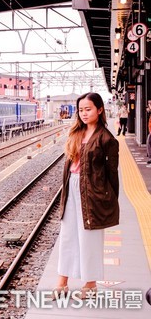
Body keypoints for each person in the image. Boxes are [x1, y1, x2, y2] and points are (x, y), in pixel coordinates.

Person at [54, 92, 119, 299]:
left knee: (89, 238)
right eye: (80, 110)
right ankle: (62, 283)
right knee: (68, 236)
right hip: (72, 187)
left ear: (100, 110)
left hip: (93, 192)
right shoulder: (75, 133)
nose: (83, 113)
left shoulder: (107, 139)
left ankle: (90, 284)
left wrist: (109, 201)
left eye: (88, 109)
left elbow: (112, 174)